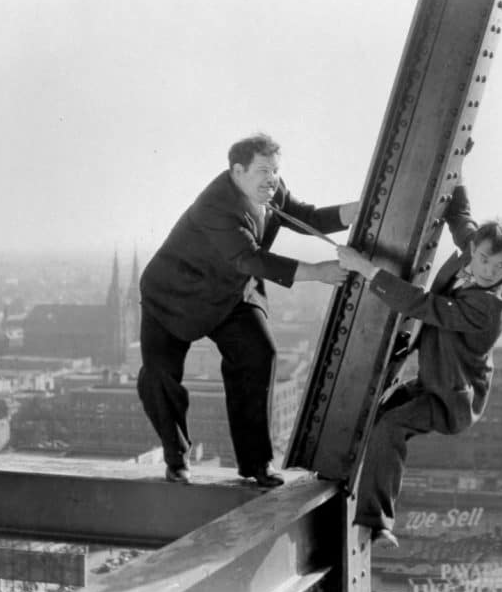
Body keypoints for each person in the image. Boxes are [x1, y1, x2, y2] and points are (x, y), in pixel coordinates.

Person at [138, 133, 359, 486]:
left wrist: (357, 211)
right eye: (263, 171)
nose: (272, 179)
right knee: (159, 375)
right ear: (237, 171)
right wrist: (318, 272)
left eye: (275, 170)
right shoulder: (215, 205)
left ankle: (257, 464)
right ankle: (176, 458)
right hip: (176, 296)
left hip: (232, 291)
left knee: (259, 354)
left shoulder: (270, 189)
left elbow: (307, 217)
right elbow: (249, 258)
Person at [336, 185, 502, 546]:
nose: (488, 270)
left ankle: (376, 523)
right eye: (483, 259)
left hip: (453, 398)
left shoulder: (487, 308)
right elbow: (461, 216)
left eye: (501, 266)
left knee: (390, 427)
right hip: (433, 377)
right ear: (474, 250)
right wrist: (460, 163)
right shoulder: (474, 246)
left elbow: (423, 305)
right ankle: (356, 491)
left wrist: (365, 270)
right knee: (374, 417)